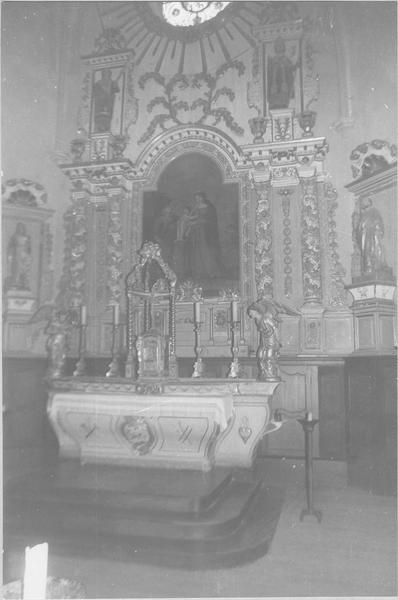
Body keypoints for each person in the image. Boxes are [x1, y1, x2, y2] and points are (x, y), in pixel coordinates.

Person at [186, 191, 223, 280]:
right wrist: (189, 220)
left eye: (198, 198)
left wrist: (197, 221)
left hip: (204, 230)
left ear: (202, 198)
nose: (197, 200)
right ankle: (198, 273)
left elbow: (208, 219)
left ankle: (210, 272)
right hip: (196, 230)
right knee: (196, 250)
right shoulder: (196, 207)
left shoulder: (208, 207)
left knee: (205, 249)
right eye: (196, 198)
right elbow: (190, 217)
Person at [247, 299, 281, 381]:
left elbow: (275, 328)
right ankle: (264, 373)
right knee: (260, 355)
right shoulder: (257, 320)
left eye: (251, 312)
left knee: (269, 356)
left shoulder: (266, 318)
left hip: (271, 340)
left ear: (255, 311)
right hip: (264, 341)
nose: (249, 314)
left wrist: (278, 341)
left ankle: (271, 374)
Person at [356, 197, 387, 275]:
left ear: (369, 202)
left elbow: (379, 224)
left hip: (372, 237)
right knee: (366, 253)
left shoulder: (374, 212)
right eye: (361, 202)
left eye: (364, 202)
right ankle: (368, 268)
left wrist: (375, 229)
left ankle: (375, 267)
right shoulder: (362, 214)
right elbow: (360, 228)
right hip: (364, 238)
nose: (362, 204)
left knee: (373, 251)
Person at [267, 37, 298, 110]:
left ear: (283, 47)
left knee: (283, 93)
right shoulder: (273, 60)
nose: (279, 47)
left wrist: (295, 65)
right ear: (275, 48)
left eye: (281, 45)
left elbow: (291, 69)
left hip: (284, 82)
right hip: (274, 83)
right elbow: (269, 73)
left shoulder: (286, 59)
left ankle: (284, 103)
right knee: (274, 93)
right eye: (277, 46)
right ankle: (274, 104)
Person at [6, 222, 32, 290]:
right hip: (16, 254)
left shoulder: (27, 237)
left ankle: (24, 283)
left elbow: (29, 248)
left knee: (24, 269)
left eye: (22, 228)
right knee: (16, 269)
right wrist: (10, 255)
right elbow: (10, 246)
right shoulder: (14, 236)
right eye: (19, 227)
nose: (20, 229)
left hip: (24, 255)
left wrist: (28, 255)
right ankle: (15, 283)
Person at [93, 68, 120, 133]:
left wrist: (115, 85)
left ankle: (106, 128)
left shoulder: (112, 82)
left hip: (108, 102)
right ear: (103, 75)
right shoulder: (98, 83)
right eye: (104, 74)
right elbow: (95, 91)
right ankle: (99, 128)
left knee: (107, 115)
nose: (106, 75)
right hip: (99, 103)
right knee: (100, 116)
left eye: (107, 74)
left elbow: (117, 90)